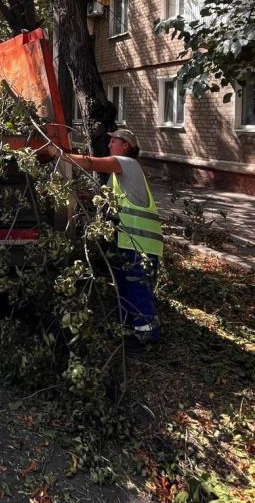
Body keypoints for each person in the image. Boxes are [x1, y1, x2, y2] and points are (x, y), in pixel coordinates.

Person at [49, 127, 163, 348]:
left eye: (114, 141)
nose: (110, 144)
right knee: (126, 286)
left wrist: (59, 154)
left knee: (137, 288)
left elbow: (91, 163)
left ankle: (147, 336)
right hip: (129, 241)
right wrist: (82, 195)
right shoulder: (118, 176)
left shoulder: (126, 163)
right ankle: (131, 331)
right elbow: (104, 199)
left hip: (141, 242)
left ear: (125, 146)